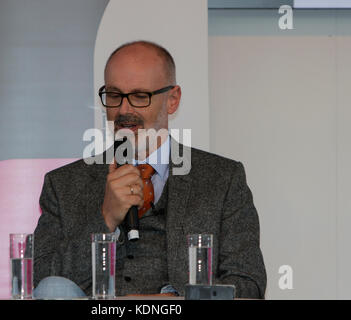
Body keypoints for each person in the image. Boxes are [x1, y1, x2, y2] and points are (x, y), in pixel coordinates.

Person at [33, 40, 266, 299]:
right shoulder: (63, 184)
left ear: (173, 100)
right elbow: (42, 282)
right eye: (114, 95)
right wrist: (105, 218)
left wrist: (170, 300)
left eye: (139, 96)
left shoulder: (222, 179)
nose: (123, 110)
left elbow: (248, 284)